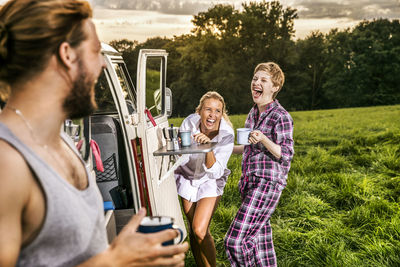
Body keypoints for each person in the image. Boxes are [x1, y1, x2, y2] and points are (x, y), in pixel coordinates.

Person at [0, 0, 188, 266]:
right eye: (96, 52)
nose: (101, 65)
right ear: (67, 55)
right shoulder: (7, 163)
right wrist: (114, 260)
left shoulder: (62, 141)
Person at [224, 62, 294, 266]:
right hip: (249, 183)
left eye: (264, 80)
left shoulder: (281, 116)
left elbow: (286, 154)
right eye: (255, 79)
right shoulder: (253, 113)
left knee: (235, 242)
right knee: (260, 243)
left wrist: (263, 137)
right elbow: (248, 148)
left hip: (267, 184)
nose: (257, 83)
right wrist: (219, 149)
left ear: (275, 87)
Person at [174, 91, 234, 267]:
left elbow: (216, 172)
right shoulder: (189, 122)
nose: (212, 115)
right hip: (187, 176)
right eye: (208, 109)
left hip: (210, 180)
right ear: (199, 111)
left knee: (200, 230)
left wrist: (208, 147)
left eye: (217, 111)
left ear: (222, 114)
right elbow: (182, 157)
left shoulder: (227, 134)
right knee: (193, 230)